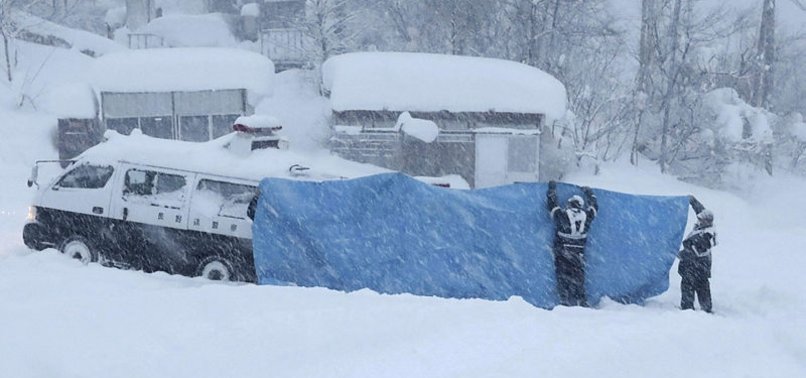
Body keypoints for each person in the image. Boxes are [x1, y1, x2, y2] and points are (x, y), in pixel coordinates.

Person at [547, 181, 598, 307]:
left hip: (562, 251)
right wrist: (589, 192)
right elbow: (595, 206)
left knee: (562, 278)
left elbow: (551, 204)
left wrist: (552, 189)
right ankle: (582, 301)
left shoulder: (563, 215)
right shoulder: (586, 216)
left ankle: (564, 300)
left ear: (569, 204)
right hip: (578, 253)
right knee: (579, 279)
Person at [678, 195, 717, 313]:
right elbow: (701, 211)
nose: (698, 220)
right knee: (702, 285)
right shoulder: (704, 225)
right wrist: (693, 201)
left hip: (696, 265)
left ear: (706, 221)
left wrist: (679, 254)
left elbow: (696, 251)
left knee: (690, 285)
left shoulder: (707, 235)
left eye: (701, 220)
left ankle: (688, 308)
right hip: (698, 266)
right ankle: (706, 307)